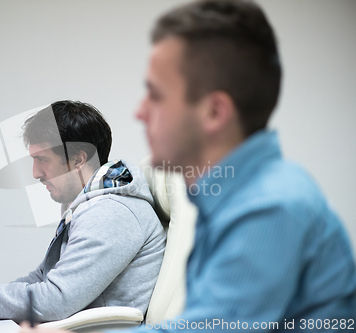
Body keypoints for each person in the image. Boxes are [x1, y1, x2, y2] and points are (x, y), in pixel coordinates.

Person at [20, 1, 356, 332]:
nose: (140, 112)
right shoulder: (226, 197)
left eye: (157, 94)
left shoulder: (270, 207)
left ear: (214, 112)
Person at [0, 100, 166, 323]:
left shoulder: (111, 213)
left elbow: (55, 300)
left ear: (78, 160)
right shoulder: (91, 206)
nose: (35, 173)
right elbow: (43, 276)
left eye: (42, 159)